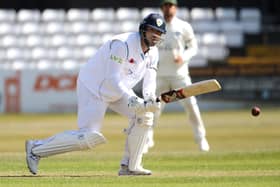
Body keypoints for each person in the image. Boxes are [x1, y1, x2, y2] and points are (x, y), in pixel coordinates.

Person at [25, 13, 166, 176]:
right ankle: (35, 149)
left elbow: (150, 80)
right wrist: (135, 100)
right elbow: (112, 79)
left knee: (145, 116)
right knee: (88, 137)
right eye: (152, 30)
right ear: (143, 30)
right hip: (94, 88)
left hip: (119, 92)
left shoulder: (153, 53)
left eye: (159, 33)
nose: (155, 36)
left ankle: (130, 167)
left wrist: (149, 98)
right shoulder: (122, 44)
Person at [154, 0, 210, 152]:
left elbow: (193, 47)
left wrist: (183, 57)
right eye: (165, 5)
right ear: (162, 8)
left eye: (171, 5)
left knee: (191, 106)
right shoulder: (156, 25)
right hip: (160, 76)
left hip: (180, 75)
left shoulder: (184, 26)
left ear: (175, 8)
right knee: (153, 108)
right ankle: (146, 140)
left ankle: (201, 139)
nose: (168, 8)